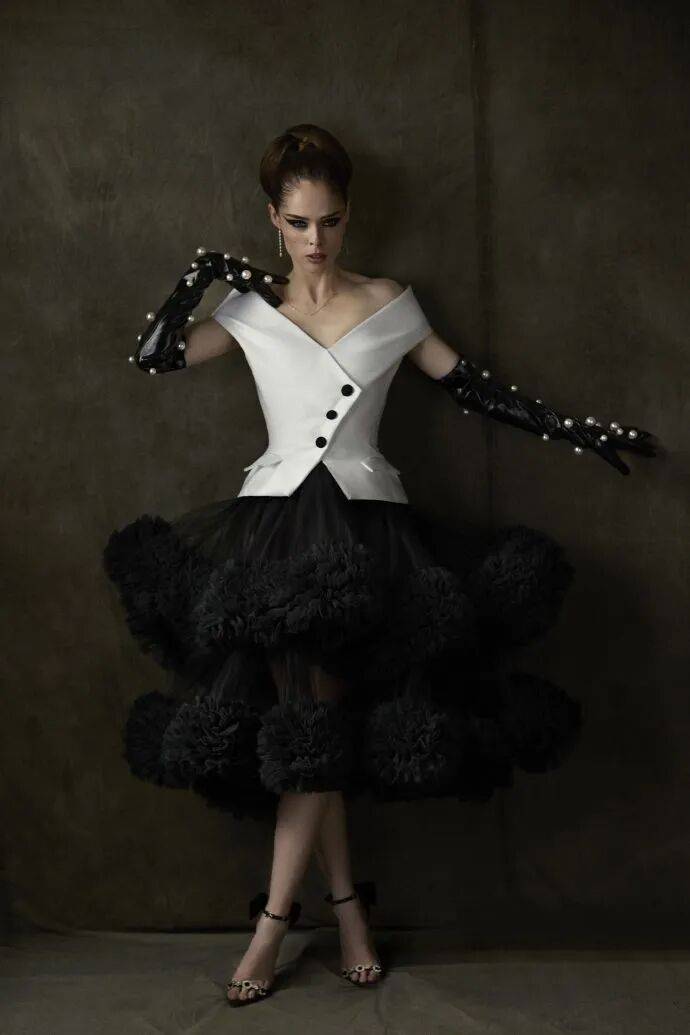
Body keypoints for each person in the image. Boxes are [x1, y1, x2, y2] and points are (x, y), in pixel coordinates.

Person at [103, 124, 657, 1007]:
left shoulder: (390, 301)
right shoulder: (248, 311)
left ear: (349, 214)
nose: (315, 240)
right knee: (311, 725)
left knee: (319, 724)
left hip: (370, 534)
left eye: (329, 220)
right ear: (272, 219)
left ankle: (286, 923)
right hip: (277, 536)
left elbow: (469, 384)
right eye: (296, 223)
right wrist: (205, 272)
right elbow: (154, 354)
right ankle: (335, 914)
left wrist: (578, 431)